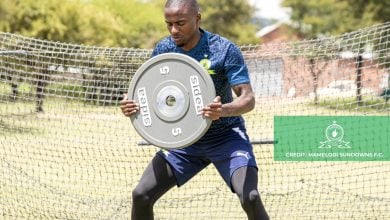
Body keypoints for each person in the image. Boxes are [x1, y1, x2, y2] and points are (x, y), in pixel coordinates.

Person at [120, 0, 269, 219]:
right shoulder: (164, 48)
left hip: (225, 138)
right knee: (141, 194)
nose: (173, 30)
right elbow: (150, 92)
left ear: (197, 19)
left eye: (180, 23)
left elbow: (248, 99)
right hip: (184, 143)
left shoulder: (224, 49)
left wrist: (223, 111)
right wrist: (131, 104)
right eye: (168, 24)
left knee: (251, 197)